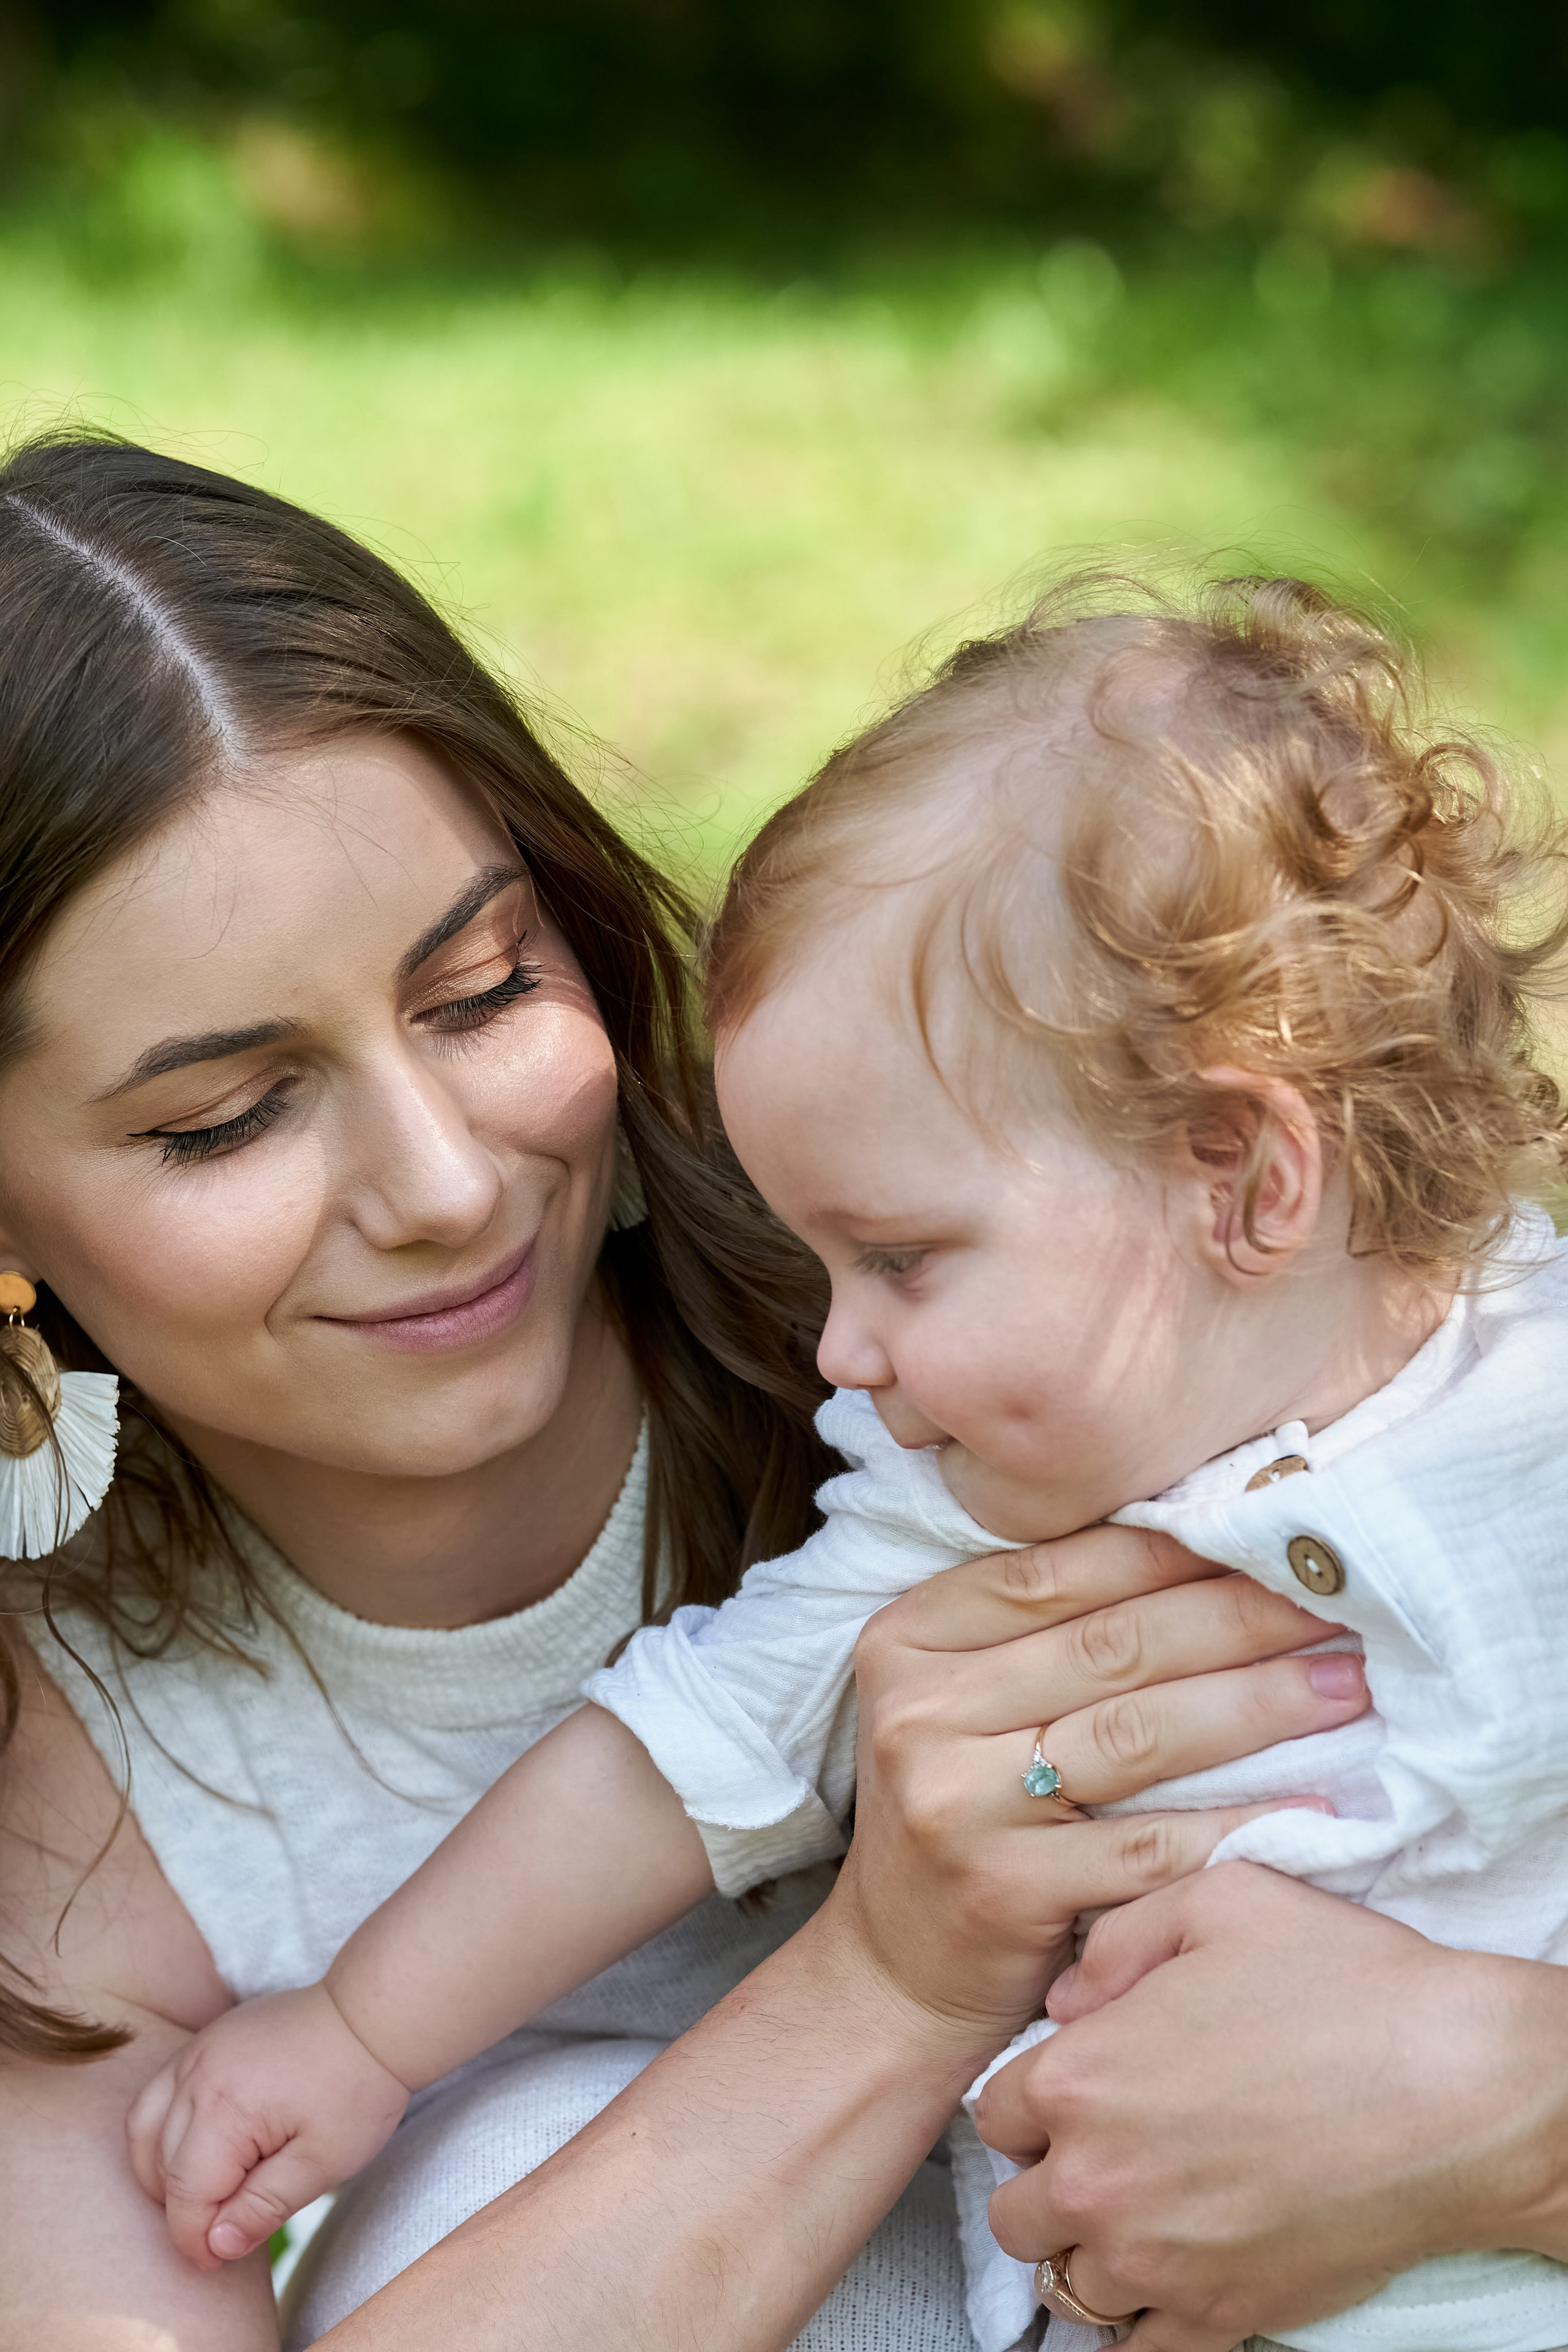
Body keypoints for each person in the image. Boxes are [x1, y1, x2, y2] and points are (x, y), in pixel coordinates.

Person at [0, 434, 1354, 2352]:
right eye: (225, 1119)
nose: (451, 1186)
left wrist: (1515, 2112)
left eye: (481, 995)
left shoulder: (982, 1287)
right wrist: (895, 1977)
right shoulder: (47, 1837)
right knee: (500, 2158)